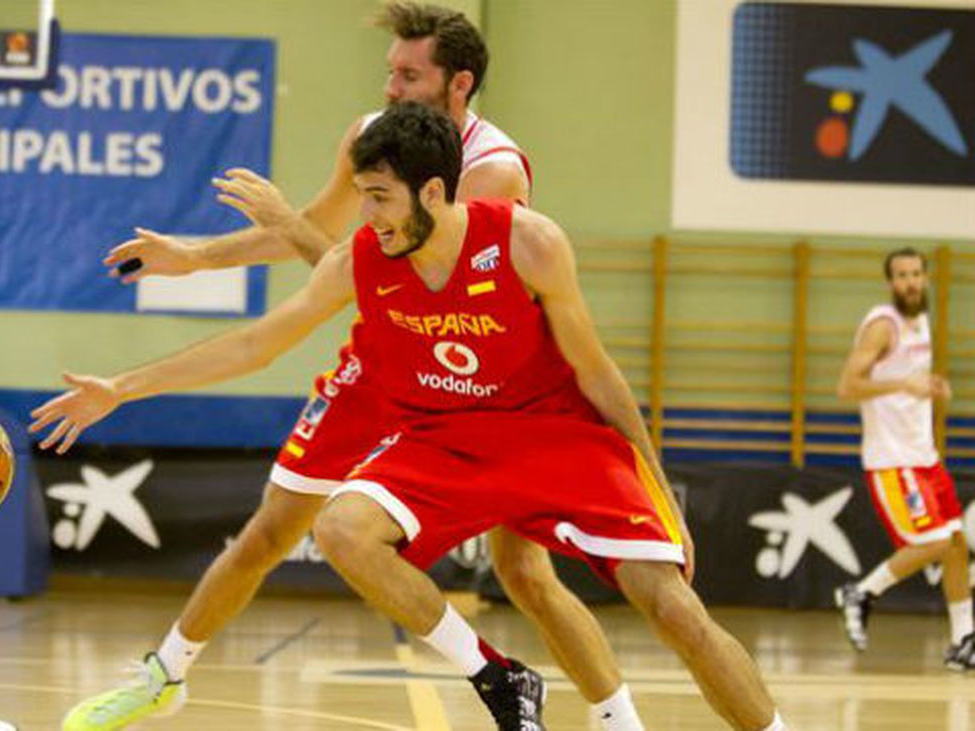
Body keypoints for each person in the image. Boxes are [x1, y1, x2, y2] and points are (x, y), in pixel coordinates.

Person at [33, 103, 791, 730]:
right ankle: (496, 674)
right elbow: (258, 342)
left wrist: (653, 480)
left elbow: (595, 370)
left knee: (672, 606)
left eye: (380, 198)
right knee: (338, 528)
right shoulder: (362, 257)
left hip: (553, 434)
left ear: (435, 192)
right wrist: (121, 388)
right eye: (363, 196)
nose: (367, 215)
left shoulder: (529, 243)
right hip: (446, 440)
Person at [73, 4, 643, 729]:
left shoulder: (494, 171)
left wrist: (287, 223)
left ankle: (617, 716)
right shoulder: (371, 136)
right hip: (385, 357)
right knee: (271, 528)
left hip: (476, 376)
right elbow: (331, 243)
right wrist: (194, 255)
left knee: (524, 571)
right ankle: (167, 674)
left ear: (458, 83)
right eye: (390, 73)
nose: (394, 88)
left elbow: (386, 275)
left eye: (411, 75)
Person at [833, 248, 974, 670]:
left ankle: (963, 640)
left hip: (924, 457)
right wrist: (903, 385)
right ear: (890, 283)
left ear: (926, 279)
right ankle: (862, 591)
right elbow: (847, 386)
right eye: (901, 275)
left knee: (956, 545)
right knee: (931, 541)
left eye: (916, 274)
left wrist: (930, 389)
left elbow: (908, 388)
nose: (910, 282)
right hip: (893, 461)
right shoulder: (883, 325)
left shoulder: (920, 323)